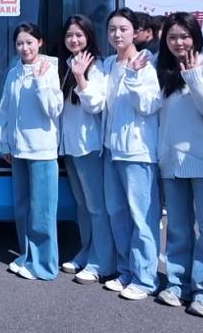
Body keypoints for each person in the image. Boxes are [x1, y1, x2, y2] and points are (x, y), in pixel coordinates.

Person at [154, 12, 203, 318]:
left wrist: (195, 78)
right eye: (172, 37)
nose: (178, 43)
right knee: (178, 227)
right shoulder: (162, 69)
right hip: (172, 163)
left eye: (184, 36)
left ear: (196, 37)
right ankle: (177, 284)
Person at [101, 7, 162, 300]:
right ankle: (126, 270)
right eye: (112, 29)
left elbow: (150, 106)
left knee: (142, 218)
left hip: (137, 152)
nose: (117, 34)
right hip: (111, 150)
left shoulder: (147, 64)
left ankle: (146, 278)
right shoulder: (108, 63)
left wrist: (135, 77)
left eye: (123, 29)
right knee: (117, 214)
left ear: (135, 32)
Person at [0, 22, 63, 281]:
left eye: (29, 42)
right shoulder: (14, 72)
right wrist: (5, 143)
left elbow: (53, 109)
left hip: (42, 151)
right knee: (23, 209)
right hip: (19, 150)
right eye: (20, 43)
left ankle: (45, 266)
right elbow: (5, 109)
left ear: (40, 42)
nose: (25, 48)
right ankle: (27, 256)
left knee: (42, 212)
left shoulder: (49, 70)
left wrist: (40, 82)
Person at [56, 15, 115, 285]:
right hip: (71, 147)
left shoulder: (96, 66)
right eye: (69, 35)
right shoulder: (68, 64)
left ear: (89, 37)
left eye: (79, 35)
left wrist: (81, 77)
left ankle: (101, 260)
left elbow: (96, 105)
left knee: (96, 207)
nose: (74, 40)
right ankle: (87, 250)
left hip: (88, 147)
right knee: (82, 205)